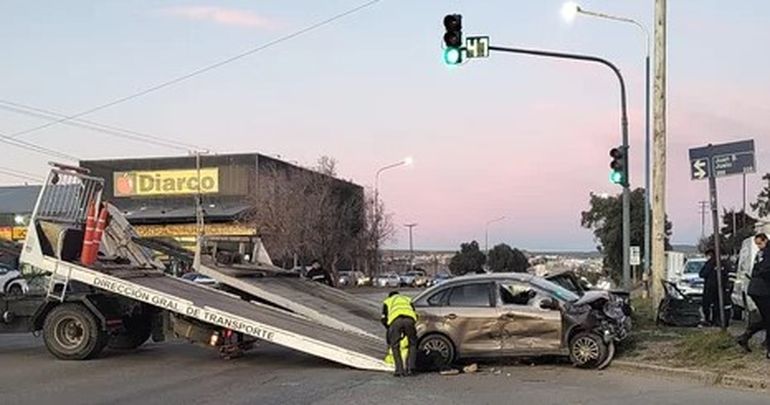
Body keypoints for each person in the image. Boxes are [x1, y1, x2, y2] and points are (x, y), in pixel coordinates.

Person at [736, 233, 770, 358]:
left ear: (765, 240)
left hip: (757, 289)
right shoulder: (766, 252)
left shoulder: (762, 253)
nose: (759, 246)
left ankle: (746, 337)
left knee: (766, 318)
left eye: (760, 243)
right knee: (768, 318)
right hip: (763, 290)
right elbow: (766, 270)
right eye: (757, 244)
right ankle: (766, 346)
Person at [381, 291, 418, 377]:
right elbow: (414, 313)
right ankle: (411, 368)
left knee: (395, 346)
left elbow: (383, 319)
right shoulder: (407, 299)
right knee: (412, 344)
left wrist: (390, 329)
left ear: (390, 296)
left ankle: (399, 370)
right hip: (410, 320)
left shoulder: (388, 301)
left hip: (396, 321)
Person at [698, 249, 718, 326]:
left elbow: (702, 274)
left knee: (706, 304)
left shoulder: (710, 263)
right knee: (715, 304)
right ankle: (715, 320)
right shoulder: (720, 263)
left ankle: (708, 320)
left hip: (709, 287)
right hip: (718, 287)